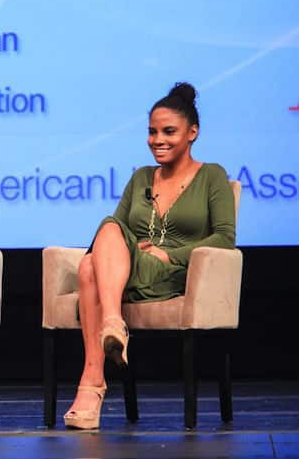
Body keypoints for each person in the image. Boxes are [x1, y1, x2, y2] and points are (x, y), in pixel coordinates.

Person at [63, 82, 236, 430]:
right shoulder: (142, 176)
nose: (157, 140)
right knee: (105, 232)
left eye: (168, 131)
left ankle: (92, 384)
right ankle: (112, 328)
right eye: (152, 132)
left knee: (88, 266)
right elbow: (115, 230)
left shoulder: (212, 176)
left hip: (173, 276)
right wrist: (135, 249)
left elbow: (225, 238)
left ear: (192, 133)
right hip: (130, 271)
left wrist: (170, 255)